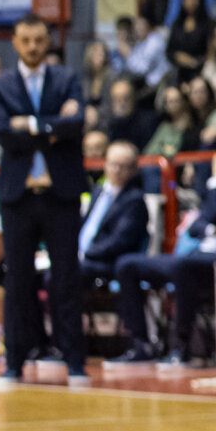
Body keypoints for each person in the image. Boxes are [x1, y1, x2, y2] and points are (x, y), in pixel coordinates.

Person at [115, 121, 216, 366]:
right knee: (127, 264)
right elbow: (199, 223)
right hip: (199, 253)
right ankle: (141, 344)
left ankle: (182, 348)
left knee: (183, 267)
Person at [0, 16, 89, 389]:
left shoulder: (67, 79)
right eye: (26, 40)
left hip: (60, 194)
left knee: (66, 278)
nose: (33, 46)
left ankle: (74, 360)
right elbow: (4, 133)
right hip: (18, 195)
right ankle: (15, 362)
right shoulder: (1, 85)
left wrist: (29, 125)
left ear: (49, 41)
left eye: (39, 39)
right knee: (17, 280)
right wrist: (51, 127)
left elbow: (76, 123)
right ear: (15, 43)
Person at [79, 140, 158, 363]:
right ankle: (57, 342)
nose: (116, 170)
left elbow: (119, 241)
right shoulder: (97, 192)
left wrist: (86, 254)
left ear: (133, 170)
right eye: (112, 164)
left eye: (122, 166)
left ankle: (138, 344)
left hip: (110, 262)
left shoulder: (134, 200)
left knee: (70, 272)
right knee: (51, 274)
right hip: (86, 259)